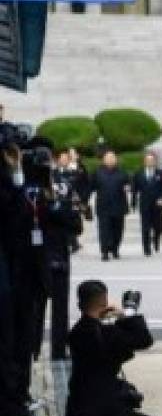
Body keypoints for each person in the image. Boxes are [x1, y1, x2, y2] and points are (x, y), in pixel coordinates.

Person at [65, 280, 162, 416]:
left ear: (79, 304)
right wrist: (128, 314)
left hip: (79, 407)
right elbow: (144, 340)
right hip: (104, 410)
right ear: (104, 302)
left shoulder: (76, 332)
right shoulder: (107, 334)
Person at [0, 144, 43, 416]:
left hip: (19, 270)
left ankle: (13, 402)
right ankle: (10, 406)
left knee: (14, 341)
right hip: (9, 272)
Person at [39, 151, 84, 359]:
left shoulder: (25, 184)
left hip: (38, 253)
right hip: (55, 250)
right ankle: (56, 350)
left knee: (35, 306)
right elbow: (76, 225)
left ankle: (34, 349)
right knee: (58, 305)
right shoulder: (63, 185)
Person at [90, 149, 130, 261]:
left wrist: (127, 187)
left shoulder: (122, 172)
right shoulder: (97, 173)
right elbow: (91, 186)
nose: (110, 160)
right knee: (104, 230)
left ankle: (115, 248)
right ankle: (104, 251)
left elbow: (128, 183)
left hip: (118, 206)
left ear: (116, 160)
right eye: (108, 158)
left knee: (118, 230)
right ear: (103, 160)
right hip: (103, 207)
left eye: (113, 157)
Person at [131, 151, 162, 256]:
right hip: (144, 203)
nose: (150, 162)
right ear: (144, 162)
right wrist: (133, 203)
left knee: (158, 227)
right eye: (148, 160)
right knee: (145, 226)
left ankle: (155, 239)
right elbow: (134, 190)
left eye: (152, 160)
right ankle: (146, 248)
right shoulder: (138, 174)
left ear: (155, 161)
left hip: (157, 204)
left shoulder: (161, 174)